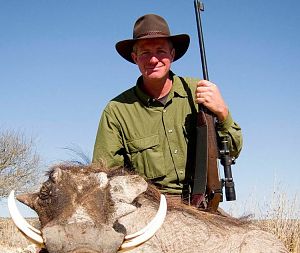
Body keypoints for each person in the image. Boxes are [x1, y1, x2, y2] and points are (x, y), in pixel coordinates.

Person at [93, 14, 242, 202]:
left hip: (202, 205)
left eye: (161, 51)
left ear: (172, 55)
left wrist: (222, 112)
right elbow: (104, 176)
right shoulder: (116, 110)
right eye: (145, 52)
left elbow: (234, 149)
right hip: (148, 209)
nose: (153, 59)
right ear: (135, 58)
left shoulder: (201, 92)